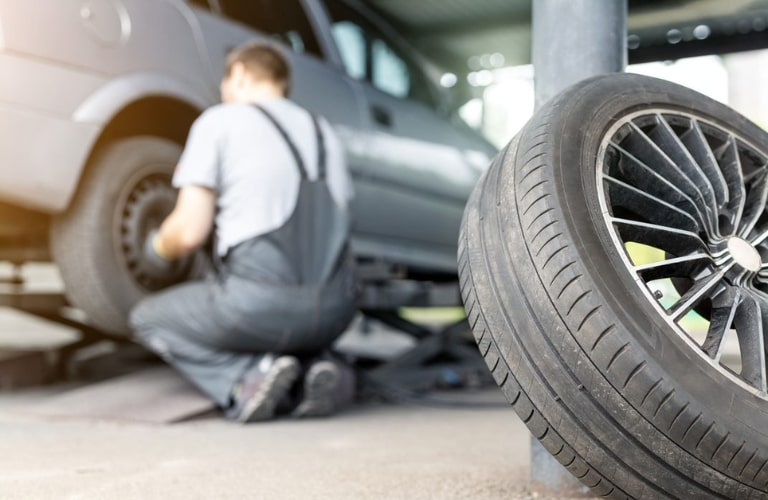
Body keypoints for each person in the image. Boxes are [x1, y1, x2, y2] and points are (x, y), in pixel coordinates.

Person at [129, 41, 357, 423]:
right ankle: (314, 367)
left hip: (259, 309)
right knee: (293, 320)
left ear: (240, 75)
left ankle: (247, 378)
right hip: (336, 310)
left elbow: (187, 232)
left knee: (147, 318)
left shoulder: (220, 121)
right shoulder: (325, 133)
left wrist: (154, 249)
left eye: (225, 80)